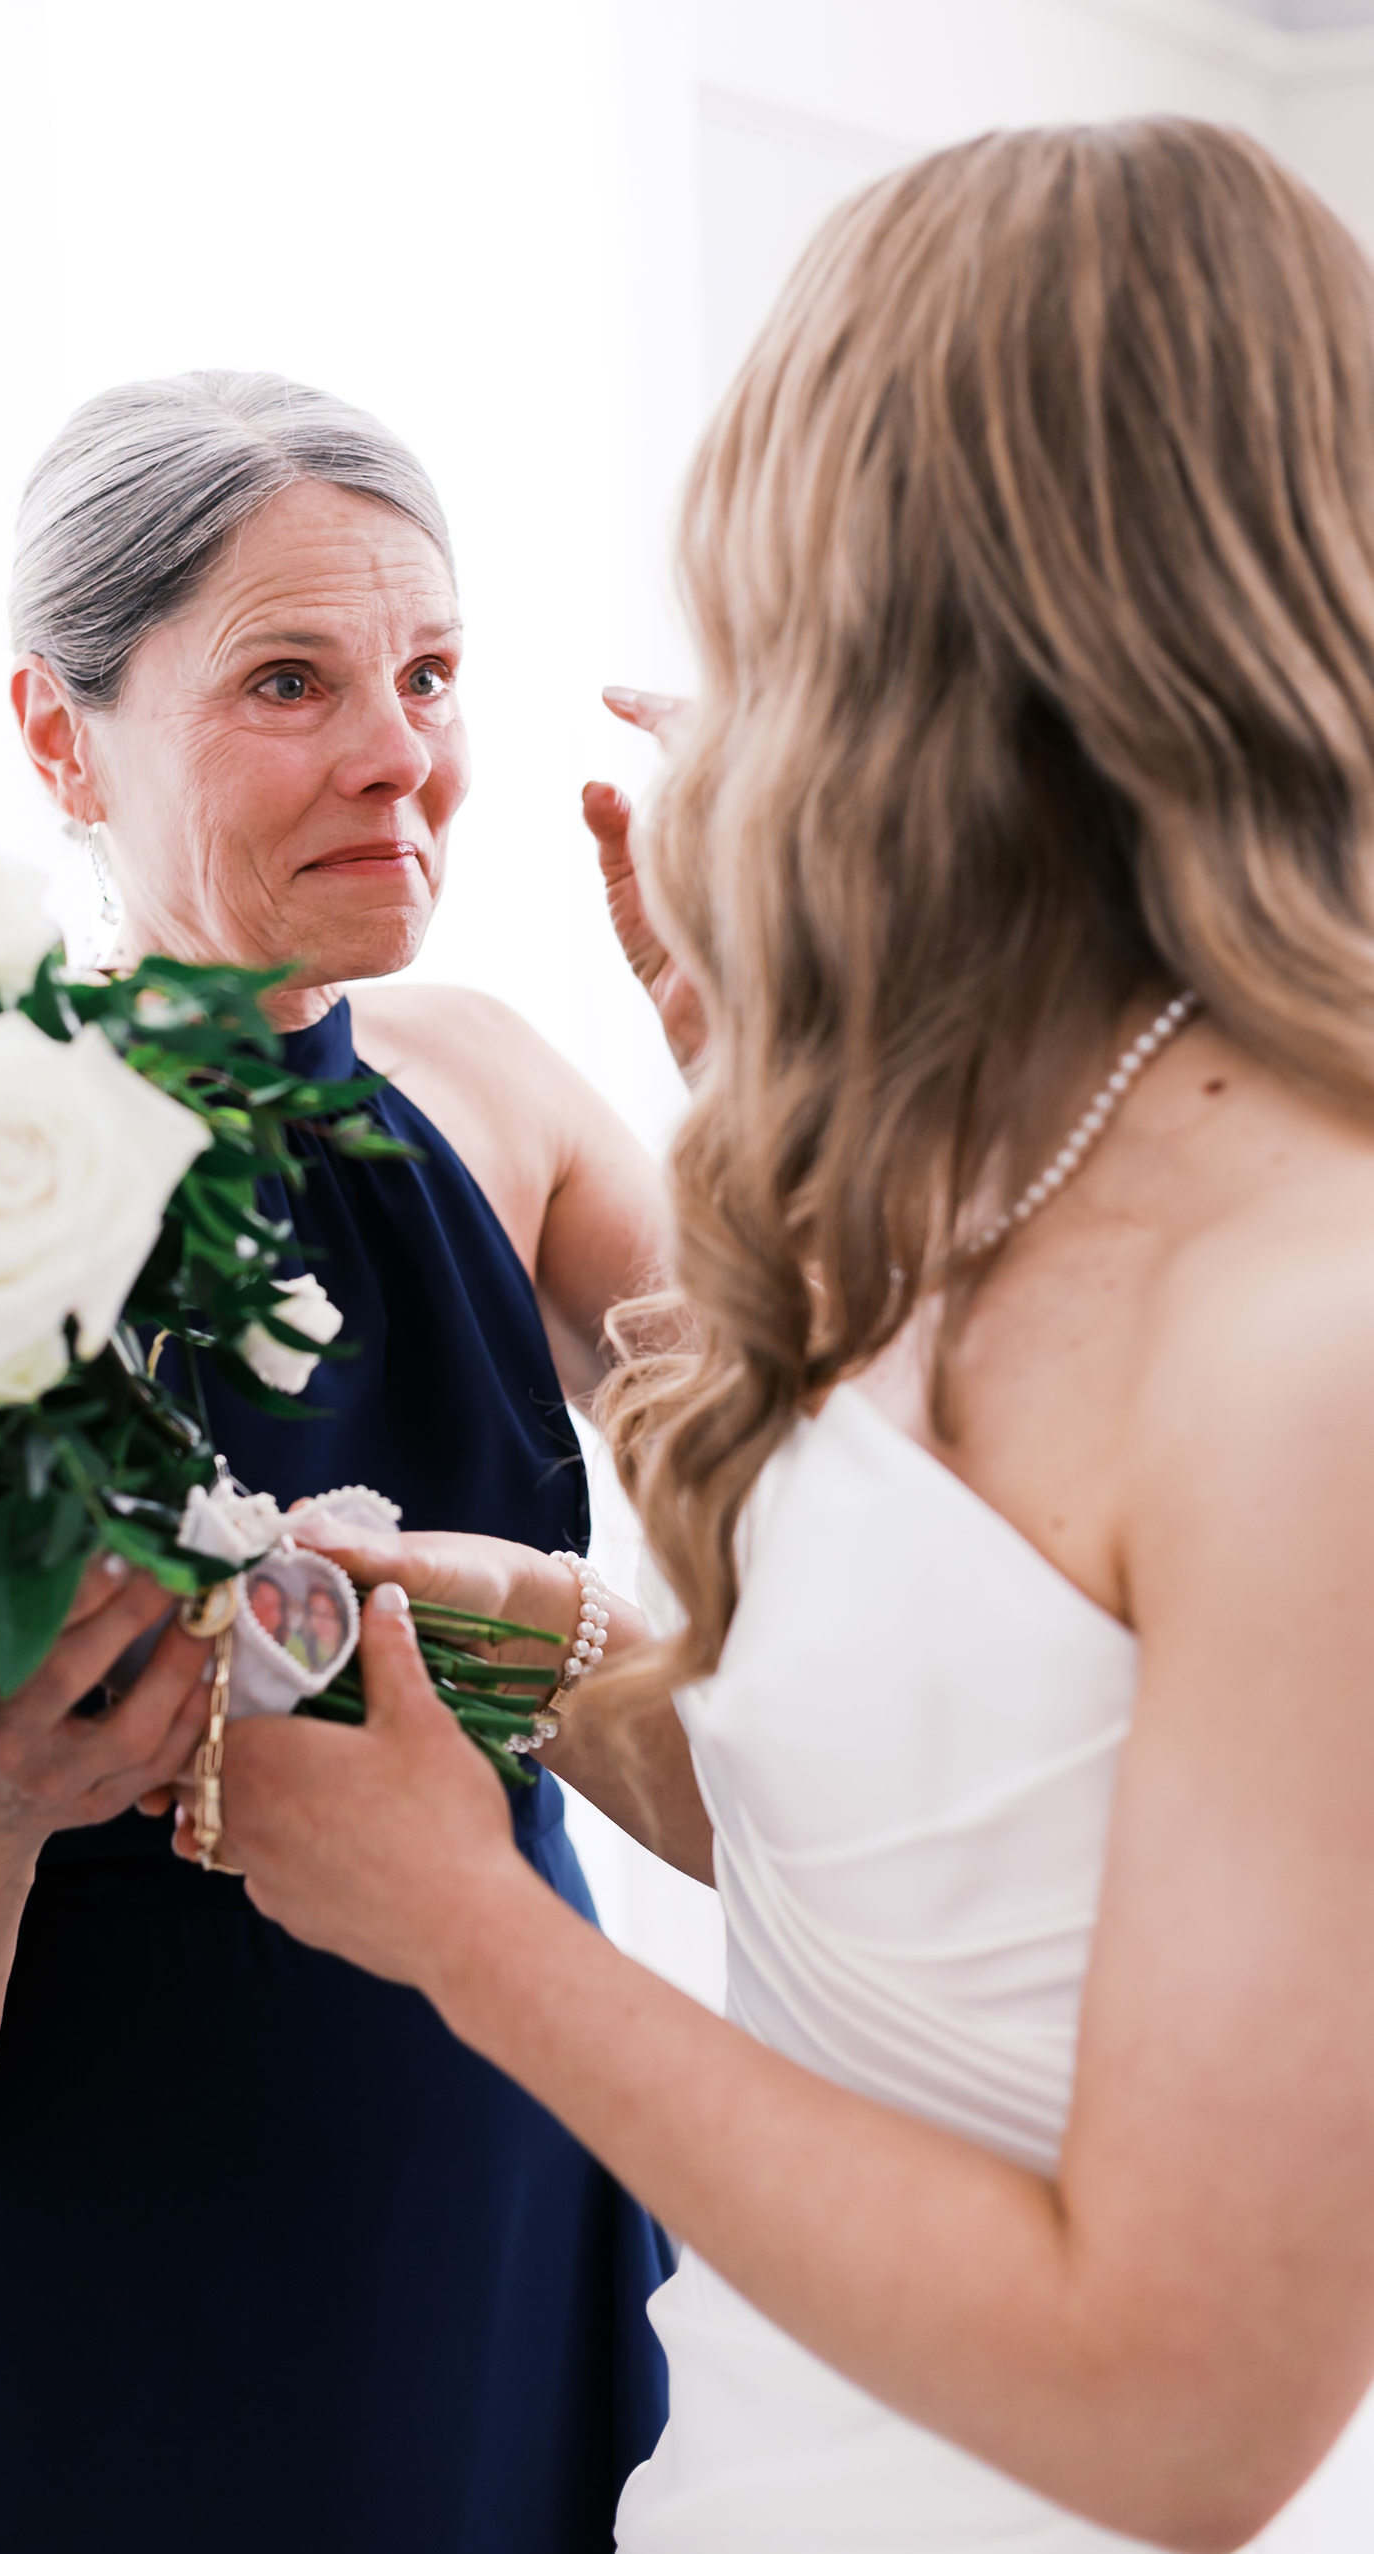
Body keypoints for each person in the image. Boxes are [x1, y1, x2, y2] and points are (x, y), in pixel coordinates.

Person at [185, 122, 1374, 2551]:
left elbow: (1186, 2420)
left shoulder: (1314, 1326)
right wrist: (496, 1640)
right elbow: (891, 1845)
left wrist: (459, 1920)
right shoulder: (999, 1165)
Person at [0, 372, 673, 2554]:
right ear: (60, 735)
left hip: (496, 2184)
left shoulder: (507, 1101)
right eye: (291, 678)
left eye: (429, 671)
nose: (401, 749)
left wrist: (780, 1045)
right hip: (104, 2269)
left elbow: (854, 1645)